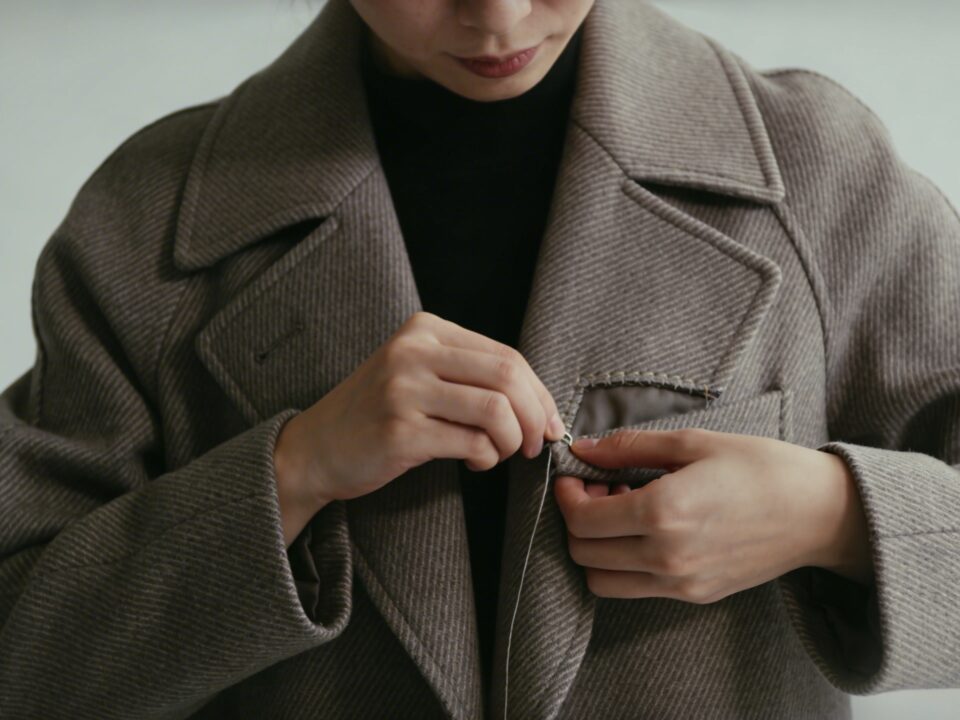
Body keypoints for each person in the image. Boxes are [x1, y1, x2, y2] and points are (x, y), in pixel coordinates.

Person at [0, 0, 958, 718]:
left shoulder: (817, 173)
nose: (498, 15)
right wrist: (290, 475)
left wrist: (831, 518)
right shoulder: (147, 228)